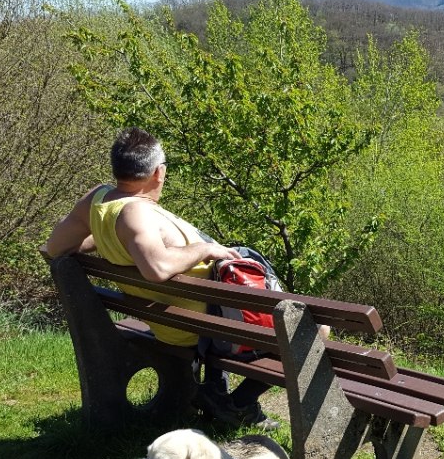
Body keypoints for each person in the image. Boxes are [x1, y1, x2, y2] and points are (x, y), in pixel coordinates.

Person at [45, 127, 278, 430]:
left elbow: (55, 247)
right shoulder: (136, 213)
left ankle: (215, 393)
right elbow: (156, 269)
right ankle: (238, 403)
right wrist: (205, 247)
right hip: (194, 330)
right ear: (159, 172)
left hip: (178, 318)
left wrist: (110, 241)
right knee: (315, 331)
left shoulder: (99, 200)